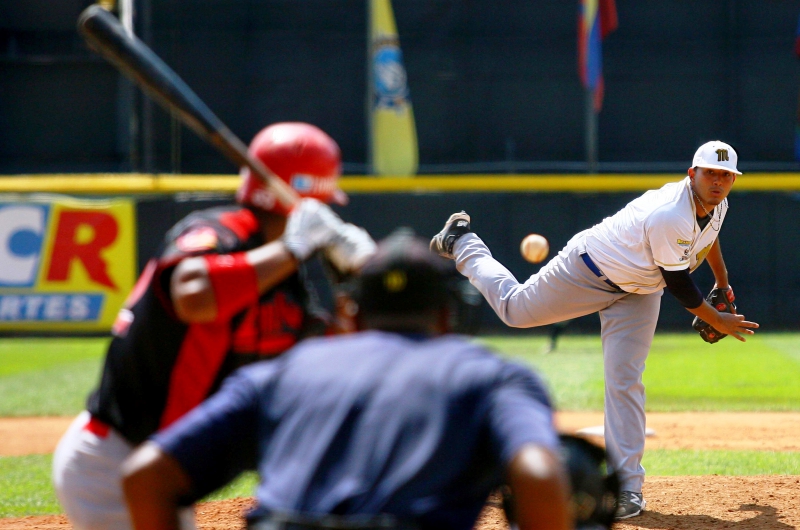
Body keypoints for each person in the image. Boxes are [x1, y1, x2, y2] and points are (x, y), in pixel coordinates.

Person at [119, 231, 574, 530]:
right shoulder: (491, 375)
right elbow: (538, 473)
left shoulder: (285, 371)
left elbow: (144, 476)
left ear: (351, 314)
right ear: (445, 316)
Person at [52, 122, 376, 530]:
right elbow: (193, 296)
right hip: (114, 466)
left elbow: (327, 355)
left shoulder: (286, 282)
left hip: (161, 472)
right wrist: (294, 248)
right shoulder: (216, 232)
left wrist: (357, 281)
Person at [430, 140, 759, 520]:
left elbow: (708, 237)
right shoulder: (671, 213)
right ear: (692, 174)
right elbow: (680, 284)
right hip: (589, 270)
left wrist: (722, 281)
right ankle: (463, 242)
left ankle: (628, 490)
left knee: (625, 379)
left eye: (726, 175)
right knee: (515, 310)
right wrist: (718, 319)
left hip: (639, 290)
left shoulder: (717, 204)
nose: (718, 181)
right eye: (711, 173)